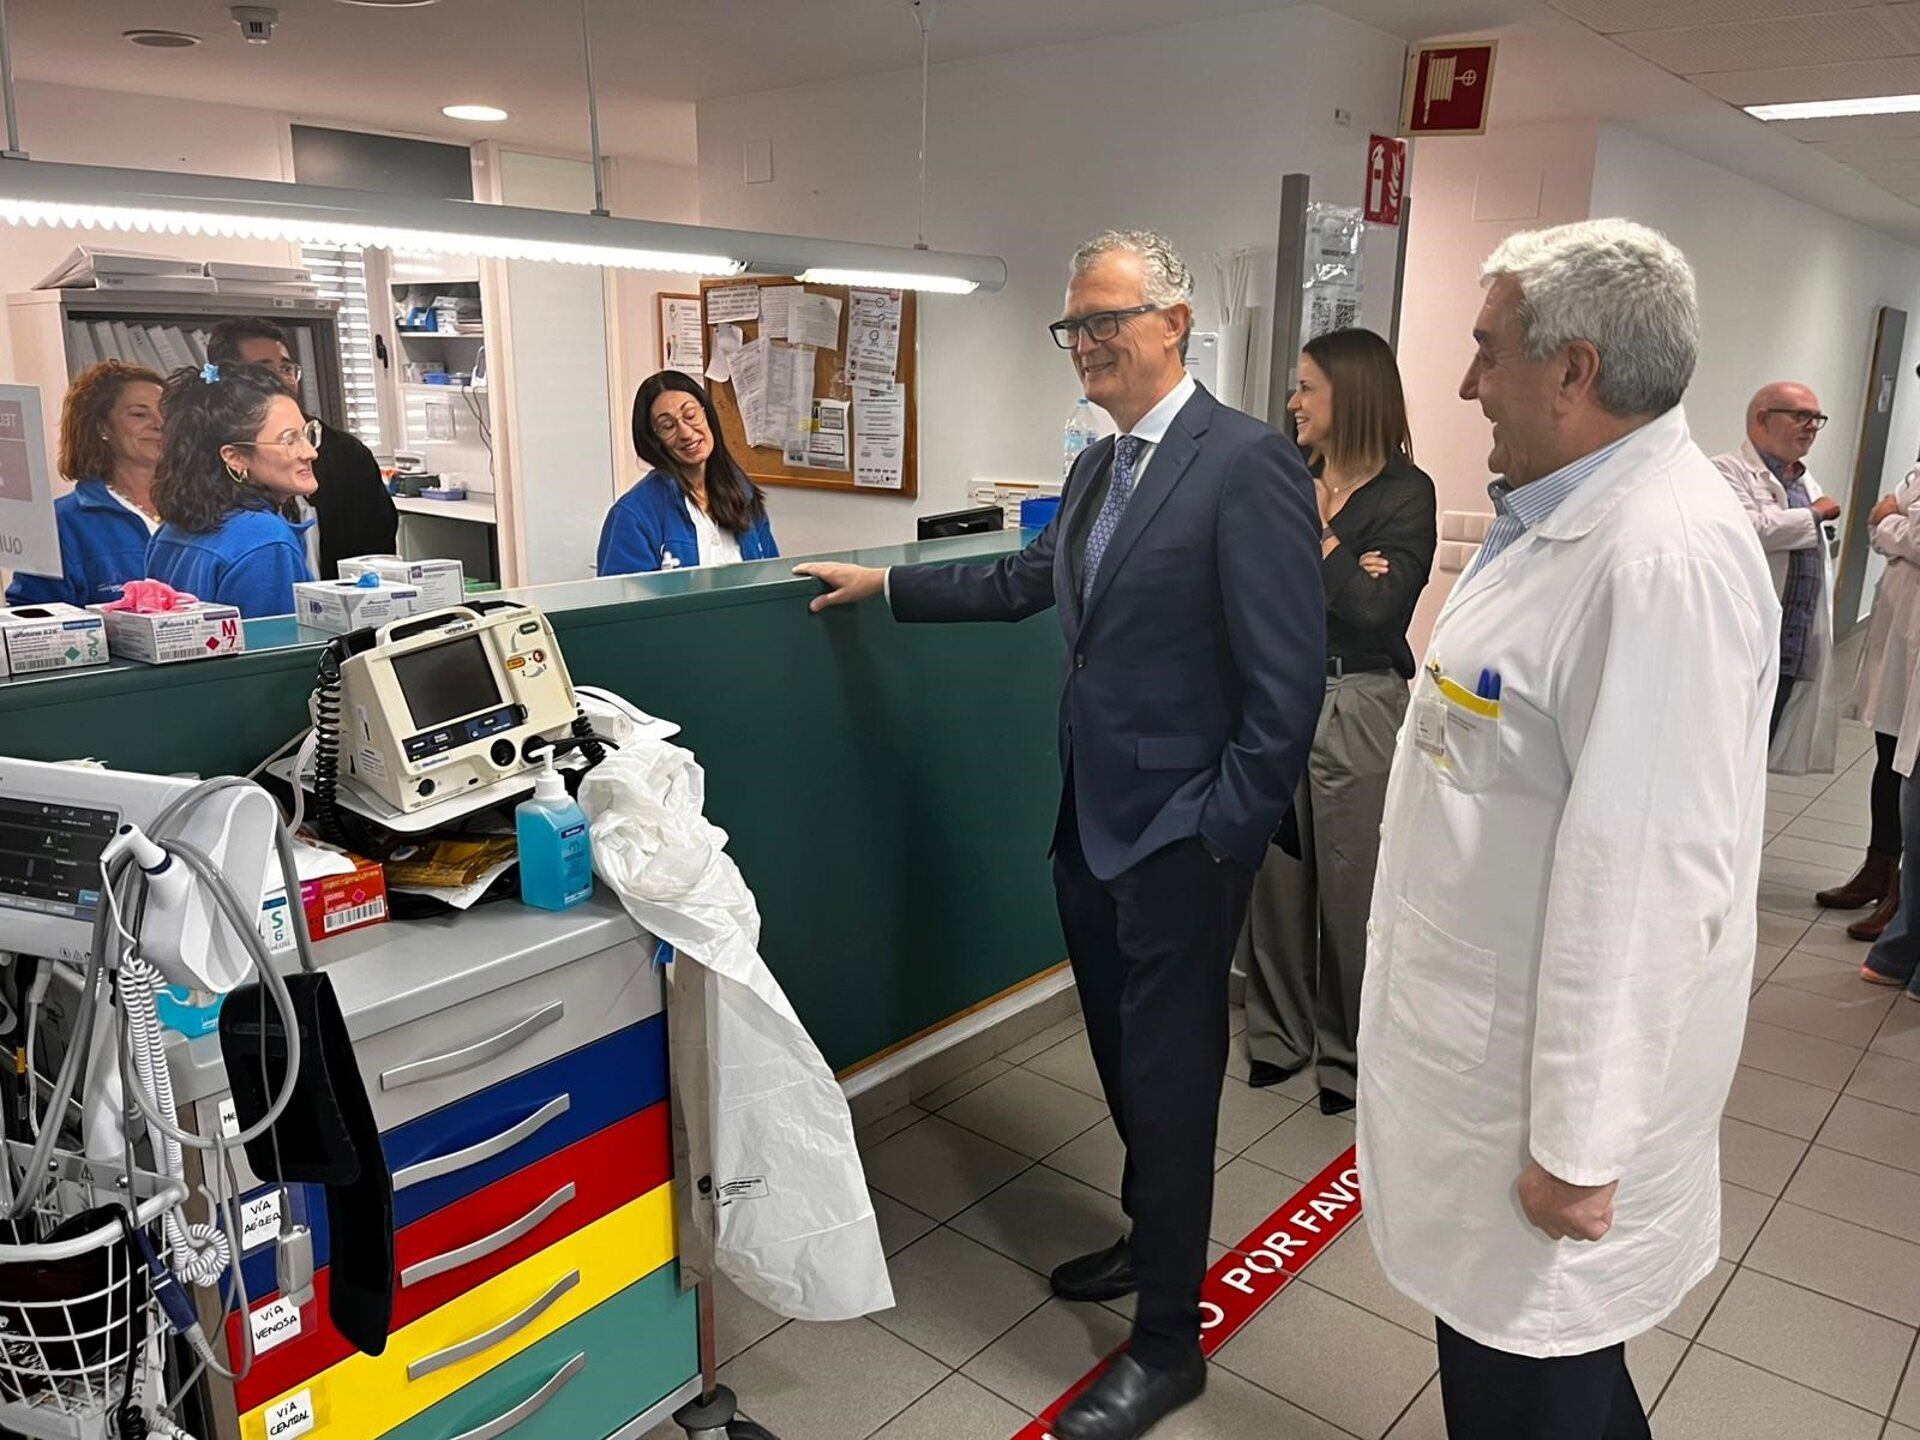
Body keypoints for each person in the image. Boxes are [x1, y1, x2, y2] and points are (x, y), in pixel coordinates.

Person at [796, 229, 1324, 1440]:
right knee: (1126, 1063)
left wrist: (1222, 834)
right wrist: (890, 589)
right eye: (1074, 326)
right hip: (1089, 823)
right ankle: (1153, 1242)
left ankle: (1168, 1344)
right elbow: (1028, 580)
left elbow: (1287, 684)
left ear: (1175, 322)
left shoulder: (1243, 463)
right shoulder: (1097, 466)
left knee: (1176, 1079)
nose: (1086, 343)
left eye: (1107, 320)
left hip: (1183, 839)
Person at [1356, 219, 1777, 1440]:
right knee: (1552, 1390)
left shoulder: (1662, 560)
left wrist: (1584, 1149)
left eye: (1487, 351)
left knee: (1533, 1393)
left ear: (1574, 369)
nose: (1465, 383)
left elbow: (1648, 876)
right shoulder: (1560, 520)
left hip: (1542, 1108)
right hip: (1486, 1060)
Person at [1237, 327, 1435, 1114]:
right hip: (1276, 694)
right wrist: (1349, 561)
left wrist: (1317, 542)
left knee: (1352, 888)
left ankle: (1350, 1056)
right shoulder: (1285, 474)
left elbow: (1379, 611)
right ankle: (1277, 1039)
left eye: (1307, 386)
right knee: (1276, 882)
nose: (1293, 402)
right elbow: (1254, 586)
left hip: (1360, 700)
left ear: (1350, 395)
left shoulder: (1404, 493)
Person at [206, 318, 397, 578]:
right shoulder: (210, 465)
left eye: (286, 368)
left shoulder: (343, 454)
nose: (281, 380)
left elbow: (377, 552)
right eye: (263, 371)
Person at [1713, 385, 1840, 769]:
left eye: (1816, 419)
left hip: (1792, 641)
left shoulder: (1803, 481)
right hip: (1741, 639)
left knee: (1758, 753)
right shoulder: (1723, 470)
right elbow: (1750, 529)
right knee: (1725, 753)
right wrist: (1815, 515)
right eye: (1800, 416)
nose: (1811, 427)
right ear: (1761, 418)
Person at [1824, 468, 1920, 942]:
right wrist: (1891, 523)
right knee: (1887, 757)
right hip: (1896, 632)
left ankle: (1905, 890)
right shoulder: (1917, 473)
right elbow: (1875, 529)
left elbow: (1905, 536)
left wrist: (1890, 520)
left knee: (1911, 769)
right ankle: (1878, 868)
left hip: (1915, 637)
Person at [146, 363, 319, 618]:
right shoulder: (266, 540)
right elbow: (276, 653)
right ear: (235, 457)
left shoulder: (171, 531)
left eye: (306, 434)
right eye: (289, 440)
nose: (310, 452)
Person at [6, 360, 165, 606]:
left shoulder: (207, 509)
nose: (159, 423)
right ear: (102, 427)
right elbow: (35, 626)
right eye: (139, 414)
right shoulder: (58, 524)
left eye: (167, 412)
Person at [598, 371, 777, 574]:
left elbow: (770, 581)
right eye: (668, 426)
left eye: (691, 415)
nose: (686, 432)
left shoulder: (743, 494)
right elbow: (624, 602)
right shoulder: (633, 515)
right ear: (653, 440)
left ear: (706, 413)